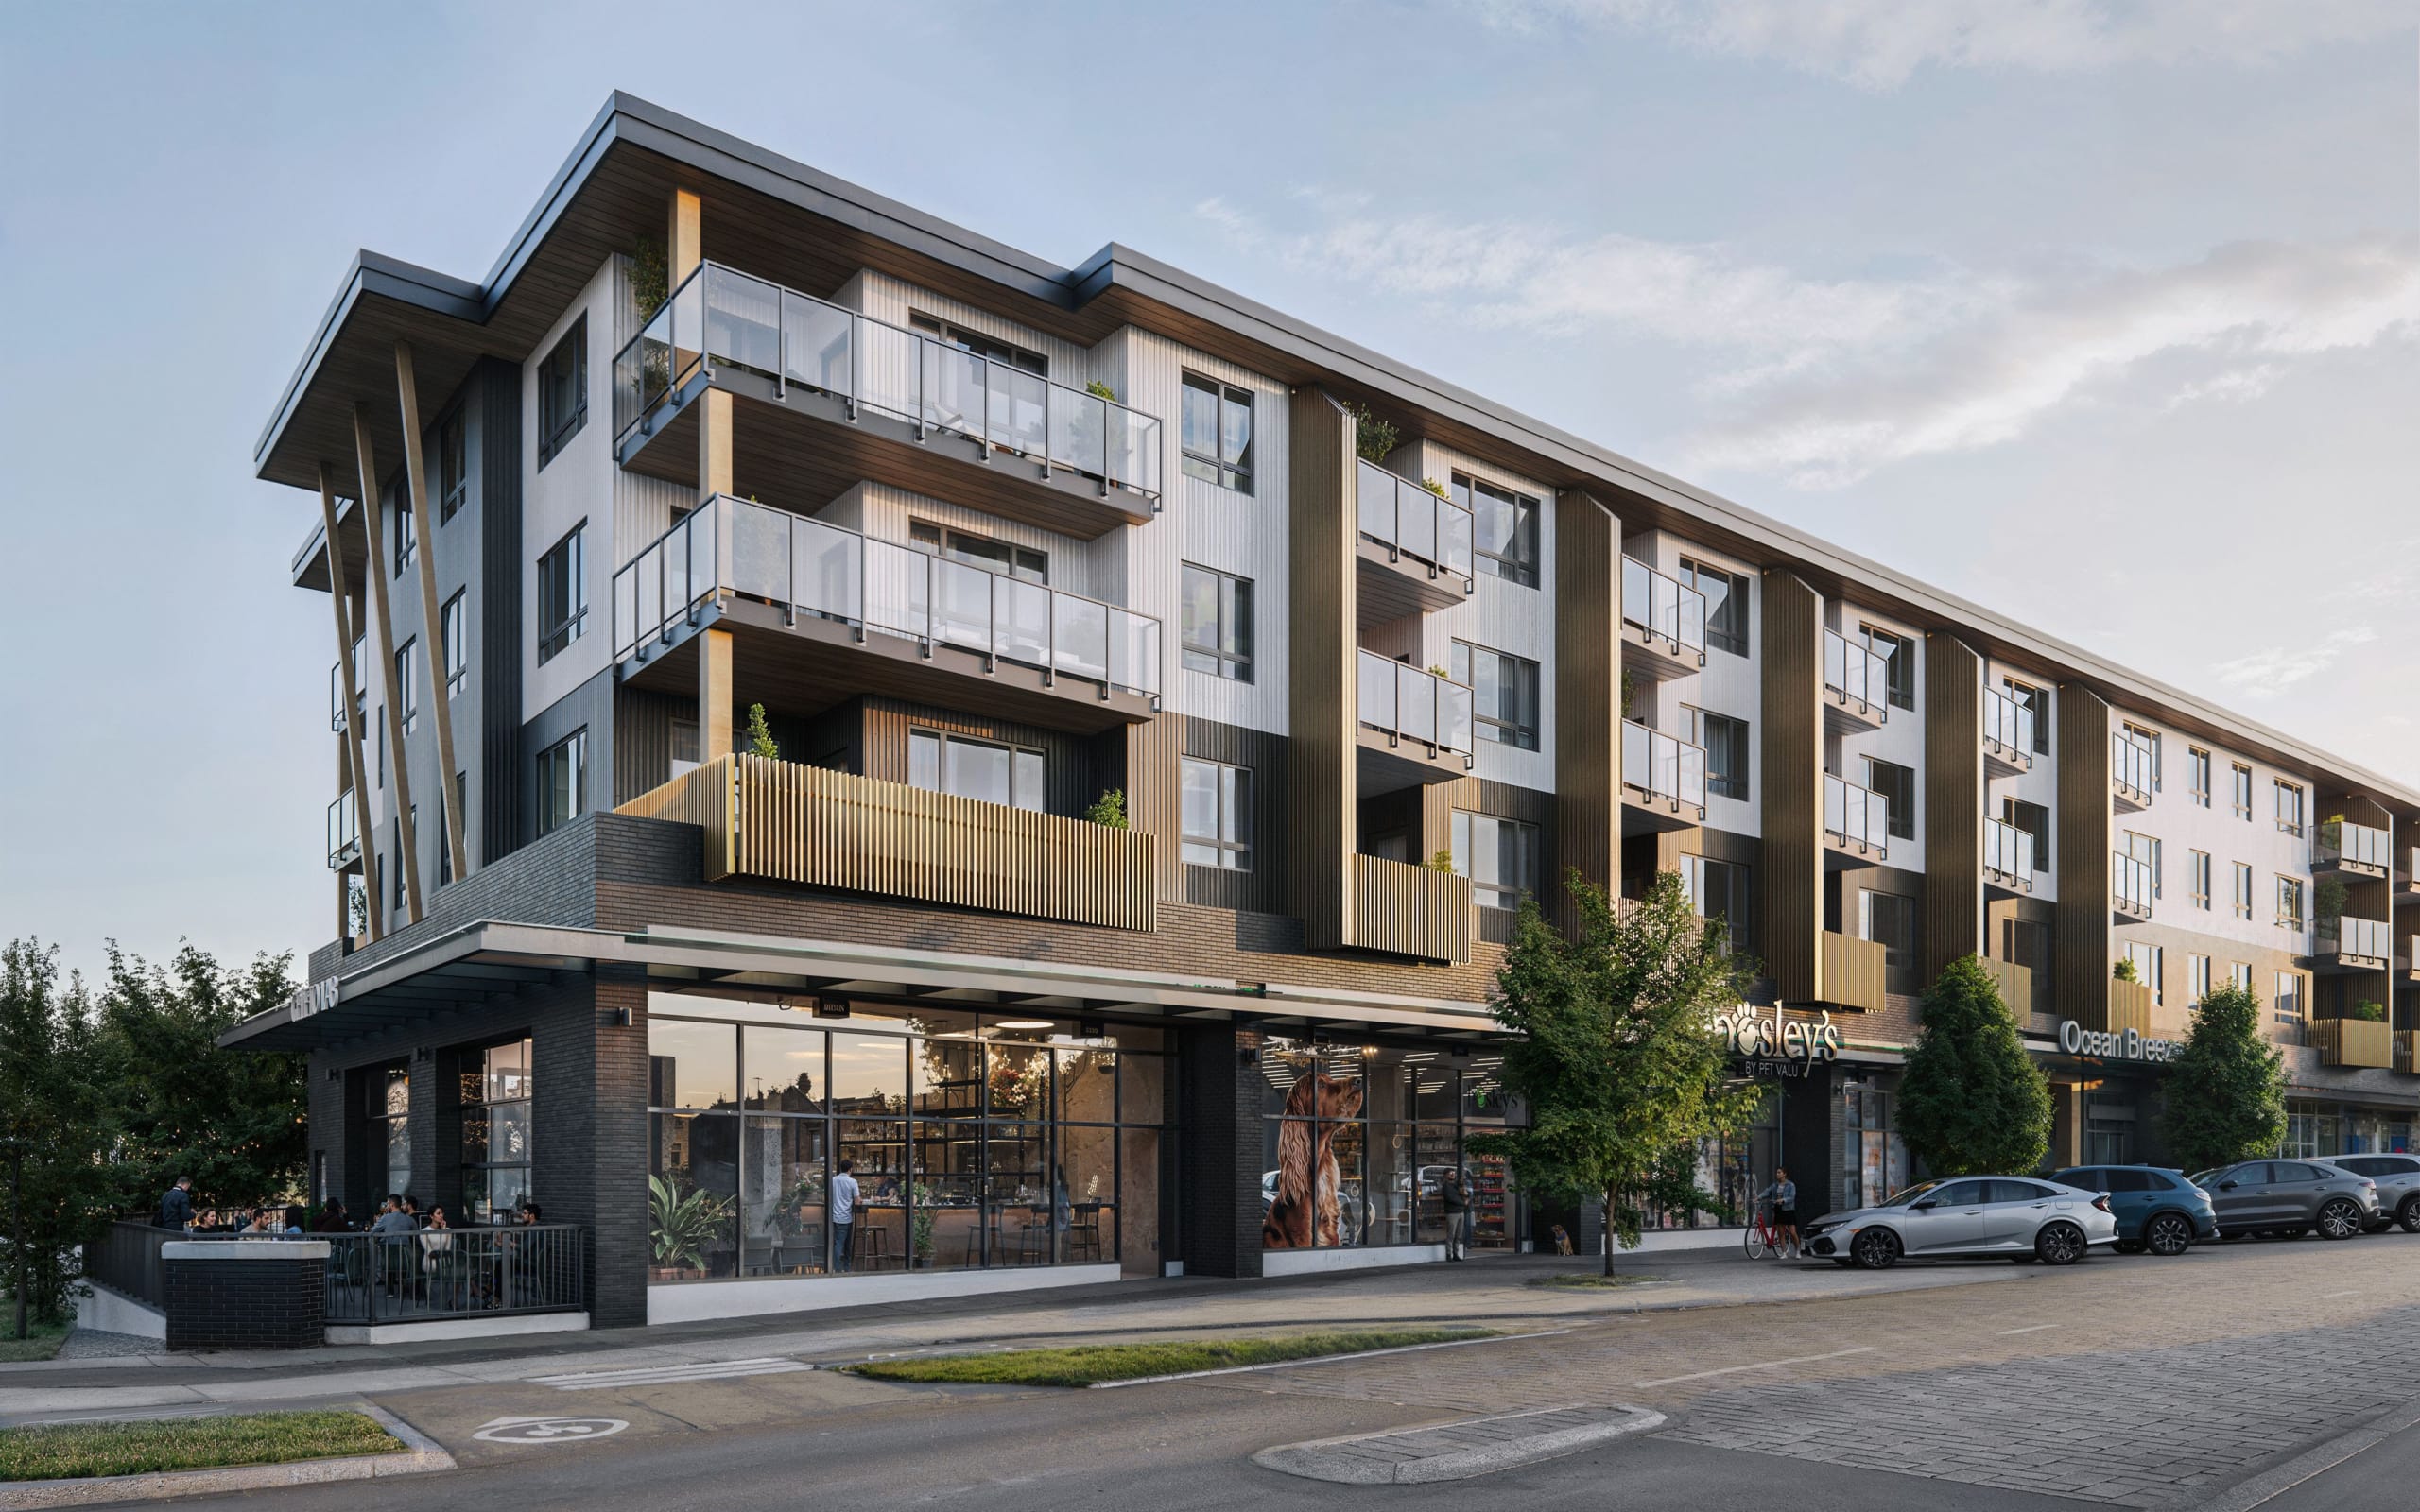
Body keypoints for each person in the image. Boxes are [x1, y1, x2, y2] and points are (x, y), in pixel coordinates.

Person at [1757, 1167, 1800, 1252]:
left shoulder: (1791, 1185)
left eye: (1779, 1172)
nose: (1777, 1174)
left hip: (1788, 1210)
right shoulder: (1775, 1185)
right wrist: (1758, 1197)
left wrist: (1783, 1200)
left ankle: (1798, 1250)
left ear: (1784, 1174)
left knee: (1792, 1232)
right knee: (1781, 1233)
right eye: (1777, 1172)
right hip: (1778, 1209)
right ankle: (1784, 1253)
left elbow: (1792, 1197)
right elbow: (1767, 1192)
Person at [830, 1158, 860, 1274]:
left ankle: (837, 1268)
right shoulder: (852, 1182)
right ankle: (843, 1268)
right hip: (846, 1217)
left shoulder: (833, 1180)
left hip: (834, 1217)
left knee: (838, 1243)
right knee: (845, 1245)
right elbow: (857, 1201)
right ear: (850, 1169)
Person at [1440, 1163, 1471, 1262]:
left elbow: (1467, 1193)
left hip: (1460, 1212)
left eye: (1453, 1173)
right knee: (1451, 1235)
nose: (1452, 1174)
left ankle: (1456, 1254)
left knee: (1458, 1235)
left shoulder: (1457, 1185)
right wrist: (1464, 1203)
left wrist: (1465, 1193)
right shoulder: (1446, 1186)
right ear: (1445, 1175)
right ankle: (1449, 1255)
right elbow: (1451, 1198)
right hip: (1452, 1213)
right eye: (1450, 1173)